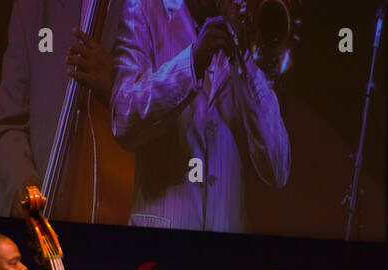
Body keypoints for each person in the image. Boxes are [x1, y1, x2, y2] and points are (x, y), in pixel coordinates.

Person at [110, 0, 291, 231]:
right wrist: (192, 63)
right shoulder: (144, 8)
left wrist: (246, 59)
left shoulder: (244, 37)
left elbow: (277, 172)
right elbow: (123, 119)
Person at [0, 0, 121, 217]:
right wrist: (24, 185)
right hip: (50, 222)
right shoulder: (31, 7)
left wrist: (120, 86)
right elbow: (7, 128)